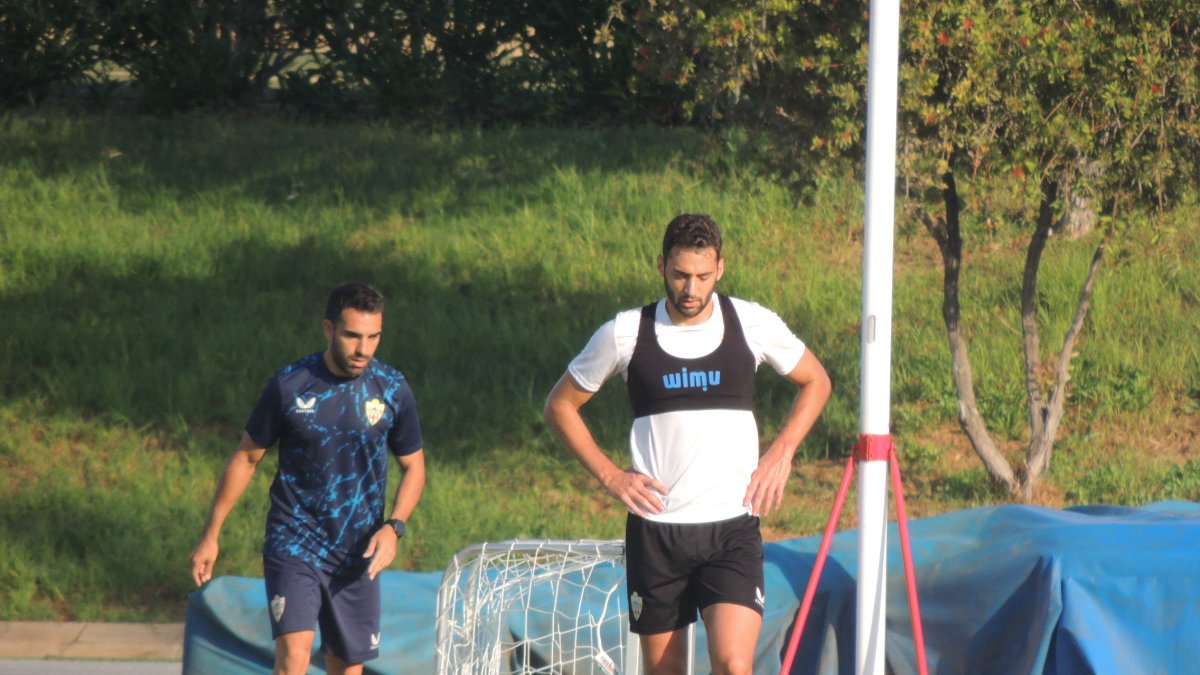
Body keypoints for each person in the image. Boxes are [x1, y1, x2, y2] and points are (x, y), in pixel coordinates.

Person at [544, 214, 831, 675]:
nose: (691, 289)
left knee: (735, 665)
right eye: (679, 275)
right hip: (657, 532)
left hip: (732, 528)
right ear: (661, 266)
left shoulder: (750, 323)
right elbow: (559, 406)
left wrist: (783, 450)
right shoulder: (625, 332)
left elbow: (816, 380)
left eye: (701, 275)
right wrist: (610, 475)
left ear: (720, 267)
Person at [189, 281, 427, 675]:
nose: (363, 349)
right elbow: (247, 457)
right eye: (352, 335)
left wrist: (394, 527)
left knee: (347, 669)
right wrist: (211, 534)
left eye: (373, 337)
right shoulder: (289, 385)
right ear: (328, 329)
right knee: (293, 661)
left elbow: (414, 466)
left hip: (359, 550)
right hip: (294, 539)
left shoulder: (392, 389)